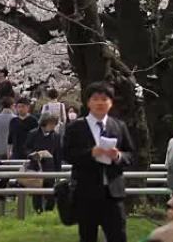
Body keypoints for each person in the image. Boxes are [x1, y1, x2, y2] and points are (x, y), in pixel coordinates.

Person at [64, 82, 134, 242]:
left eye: (104, 99)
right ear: (88, 102)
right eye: (95, 99)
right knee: (88, 236)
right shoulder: (75, 127)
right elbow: (67, 154)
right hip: (86, 192)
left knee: (118, 235)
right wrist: (90, 154)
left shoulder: (118, 126)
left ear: (111, 102)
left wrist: (118, 156)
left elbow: (131, 154)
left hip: (113, 193)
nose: (100, 103)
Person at [25, 112, 62, 213]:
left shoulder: (56, 136)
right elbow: (26, 149)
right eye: (51, 123)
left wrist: (58, 171)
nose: (53, 126)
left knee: (50, 193)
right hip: (36, 166)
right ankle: (38, 211)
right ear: (44, 123)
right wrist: (34, 154)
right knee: (37, 192)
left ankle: (49, 211)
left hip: (50, 168)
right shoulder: (33, 134)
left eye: (54, 124)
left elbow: (58, 154)